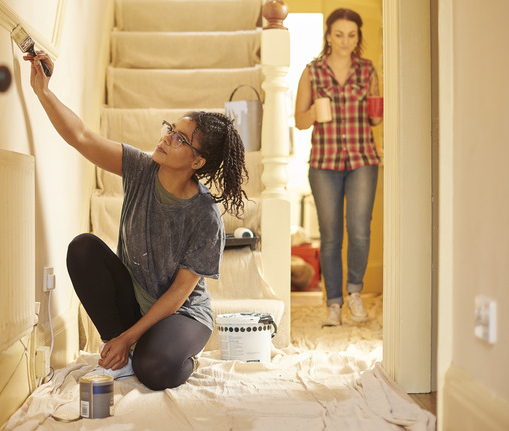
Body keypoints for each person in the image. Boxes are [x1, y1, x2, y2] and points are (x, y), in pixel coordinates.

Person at [23, 51, 248, 390]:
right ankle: (122, 354)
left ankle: (170, 353)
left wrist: (132, 337)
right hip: (133, 297)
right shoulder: (141, 169)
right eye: (171, 130)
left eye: (179, 139)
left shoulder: (205, 216)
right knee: (83, 248)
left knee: (155, 371)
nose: (166, 138)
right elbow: (82, 136)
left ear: (198, 162)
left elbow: (177, 295)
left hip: (180, 314)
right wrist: (43, 92)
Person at [294, 8, 382, 327]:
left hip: (362, 160)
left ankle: (354, 293)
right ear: (329, 36)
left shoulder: (367, 70)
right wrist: (315, 114)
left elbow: (375, 117)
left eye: (352, 35)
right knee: (331, 237)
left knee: (359, 231)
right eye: (339, 34)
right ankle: (333, 303)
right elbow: (299, 121)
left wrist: (376, 108)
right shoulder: (313, 71)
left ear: (358, 37)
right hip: (324, 163)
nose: (345, 41)